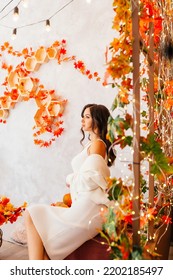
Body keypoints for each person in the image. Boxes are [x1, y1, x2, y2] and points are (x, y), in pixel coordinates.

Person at [24, 103, 116, 260]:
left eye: (87, 117)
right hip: (85, 204)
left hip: (88, 207)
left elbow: (92, 179)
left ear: (98, 121)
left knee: (33, 214)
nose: (82, 120)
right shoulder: (93, 144)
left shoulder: (98, 144)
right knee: (33, 216)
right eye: (83, 116)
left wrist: (70, 178)